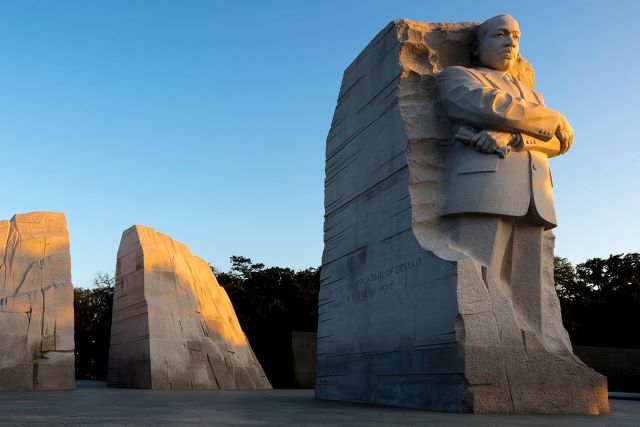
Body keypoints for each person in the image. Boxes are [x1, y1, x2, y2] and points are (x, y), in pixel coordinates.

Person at [436, 14, 574, 339]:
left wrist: (514, 138)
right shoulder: (458, 77)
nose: (510, 42)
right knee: (478, 279)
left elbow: (560, 142)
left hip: (535, 196)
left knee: (531, 295)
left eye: (515, 37)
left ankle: (535, 354)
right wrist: (553, 118)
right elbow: (489, 107)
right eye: (500, 35)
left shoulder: (533, 96)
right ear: (476, 45)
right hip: (484, 189)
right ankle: (486, 350)